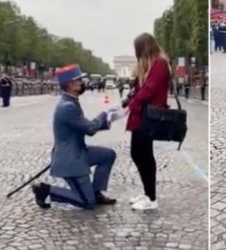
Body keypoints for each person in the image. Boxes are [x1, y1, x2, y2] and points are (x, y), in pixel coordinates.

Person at [31, 64, 119, 209]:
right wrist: (104, 114)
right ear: (71, 84)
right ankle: (45, 190)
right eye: (79, 81)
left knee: (108, 155)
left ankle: (96, 192)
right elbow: (90, 129)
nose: (82, 83)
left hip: (78, 152)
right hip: (70, 160)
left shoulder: (70, 102)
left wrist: (110, 119)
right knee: (87, 202)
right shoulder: (68, 107)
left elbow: (83, 126)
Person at [123, 33, 171, 211]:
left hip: (148, 115)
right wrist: (127, 102)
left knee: (142, 155)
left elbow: (149, 89)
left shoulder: (159, 63)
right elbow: (139, 88)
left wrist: (132, 104)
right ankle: (147, 193)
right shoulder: (151, 64)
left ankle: (151, 197)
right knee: (139, 154)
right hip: (142, 114)